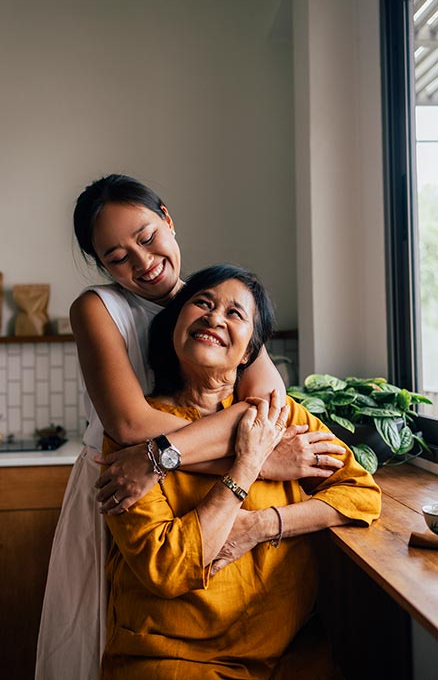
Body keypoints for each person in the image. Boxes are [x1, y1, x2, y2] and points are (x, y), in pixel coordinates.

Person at [35, 175, 346, 680]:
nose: (142, 261)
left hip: (192, 484)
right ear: (101, 266)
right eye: (116, 256)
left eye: (146, 235)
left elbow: (267, 408)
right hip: (128, 491)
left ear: (168, 218)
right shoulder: (96, 308)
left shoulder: (221, 300)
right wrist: (257, 459)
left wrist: (175, 457)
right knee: (110, 638)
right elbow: (131, 421)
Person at [100, 264, 381, 680]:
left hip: (290, 653)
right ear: (175, 325)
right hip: (171, 660)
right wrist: (249, 465)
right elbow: (168, 567)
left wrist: (263, 525)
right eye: (202, 303)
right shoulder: (137, 438)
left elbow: (360, 493)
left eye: (236, 313)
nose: (215, 317)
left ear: (251, 351)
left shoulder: (280, 417)